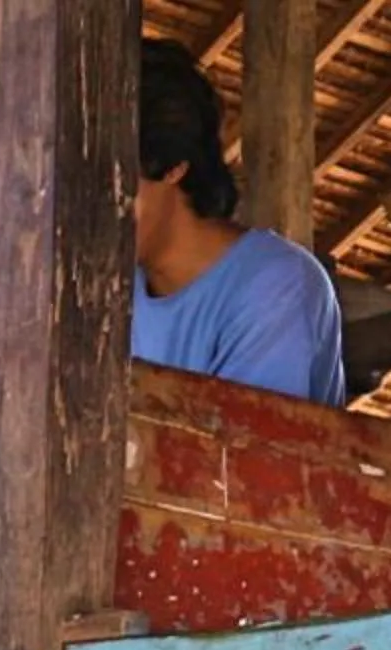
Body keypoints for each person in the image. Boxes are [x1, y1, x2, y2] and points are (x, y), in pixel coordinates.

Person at [135, 36, 347, 406]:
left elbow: (245, 439)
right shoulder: (103, 288)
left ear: (173, 166)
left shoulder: (276, 287)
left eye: (108, 183)